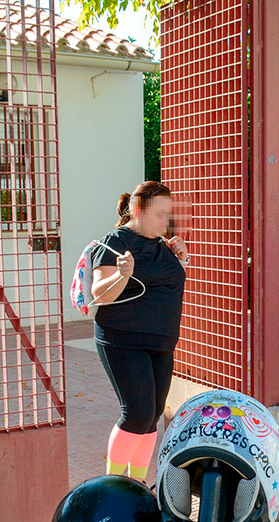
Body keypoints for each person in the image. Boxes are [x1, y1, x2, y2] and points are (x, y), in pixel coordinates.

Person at [91, 181, 189, 480]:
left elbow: (166, 282)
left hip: (161, 341)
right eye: (159, 215)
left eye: (167, 215)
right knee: (136, 414)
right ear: (137, 210)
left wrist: (182, 259)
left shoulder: (162, 245)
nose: (165, 222)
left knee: (152, 417)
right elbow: (100, 294)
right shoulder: (113, 243)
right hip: (123, 338)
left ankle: (137, 483)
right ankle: (114, 483)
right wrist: (122, 274)